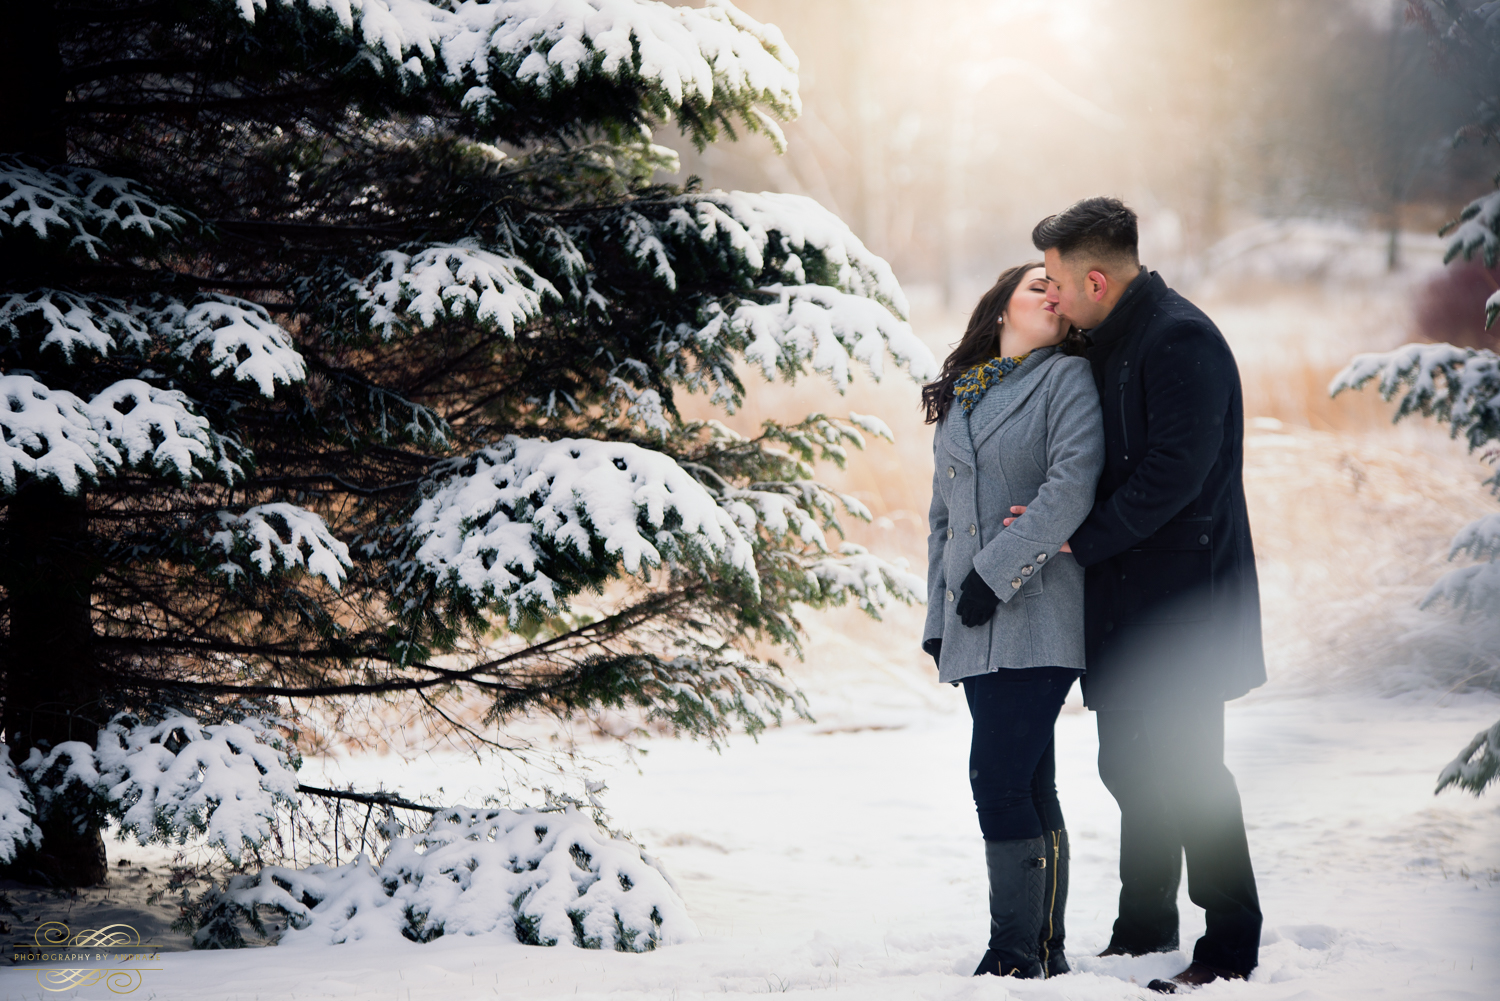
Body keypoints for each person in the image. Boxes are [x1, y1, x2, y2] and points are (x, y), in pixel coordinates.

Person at [1014, 197, 1266, 994]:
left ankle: (1229, 944)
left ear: (1095, 277)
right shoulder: (1103, 340)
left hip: (1186, 604)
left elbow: (1173, 478)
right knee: (1128, 764)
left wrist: (1071, 538)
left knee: (1193, 770)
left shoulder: (1180, 339)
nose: (1049, 294)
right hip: (1123, 599)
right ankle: (1143, 927)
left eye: (1054, 280)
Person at [920, 262, 1104, 979]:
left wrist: (992, 578)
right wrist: (941, 612)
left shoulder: (1065, 380)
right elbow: (941, 518)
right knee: (1028, 779)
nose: (1052, 296)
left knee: (995, 773)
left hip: (1038, 606)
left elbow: (1070, 486)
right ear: (1000, 307)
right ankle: (1043, 948)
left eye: (1059, 291)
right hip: (972, 619)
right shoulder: (964, 395)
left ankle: (1013, 952)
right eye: (1037, 286)